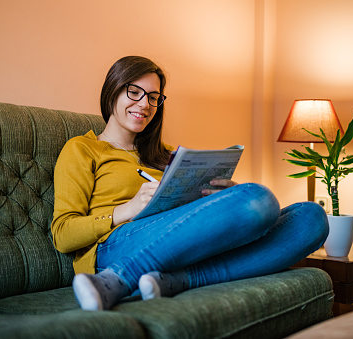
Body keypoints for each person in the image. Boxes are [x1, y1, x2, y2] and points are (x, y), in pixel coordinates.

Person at [51, 56, 329, 311]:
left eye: (153, 97)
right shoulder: (82, 149)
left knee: (312, 218)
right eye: (134, 92)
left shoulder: (168, 155)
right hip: (116, 246)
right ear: (112, 90)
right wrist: (126, 210)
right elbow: (63, 234)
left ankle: (180, 279)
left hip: (181, 240)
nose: (144, 104)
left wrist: (223, 196)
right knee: (261, 199)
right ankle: (120, 278)